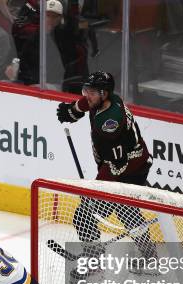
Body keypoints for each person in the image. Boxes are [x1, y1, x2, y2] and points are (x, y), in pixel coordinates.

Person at [56, 71, 155, 263]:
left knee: (84, 215)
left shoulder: (110, 123)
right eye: (87, 90)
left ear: (104, 93)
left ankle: (94, 261)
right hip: (134, 162)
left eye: (92, 92)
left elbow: (115, 166)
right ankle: (151, 257)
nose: (87, 95)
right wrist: (74, 110)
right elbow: (87, 103)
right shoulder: (106, 101)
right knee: (128, 212)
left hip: (129, 168)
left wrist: (95, 188)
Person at [13, 0, 88, 93]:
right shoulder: (35, 37)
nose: (50, 19)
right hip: (32, 83)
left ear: (60, 18)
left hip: (57, 85)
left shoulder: (65, 39)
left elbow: (61, 70)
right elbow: (24, 62)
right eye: (47, 15)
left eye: (54, 16)